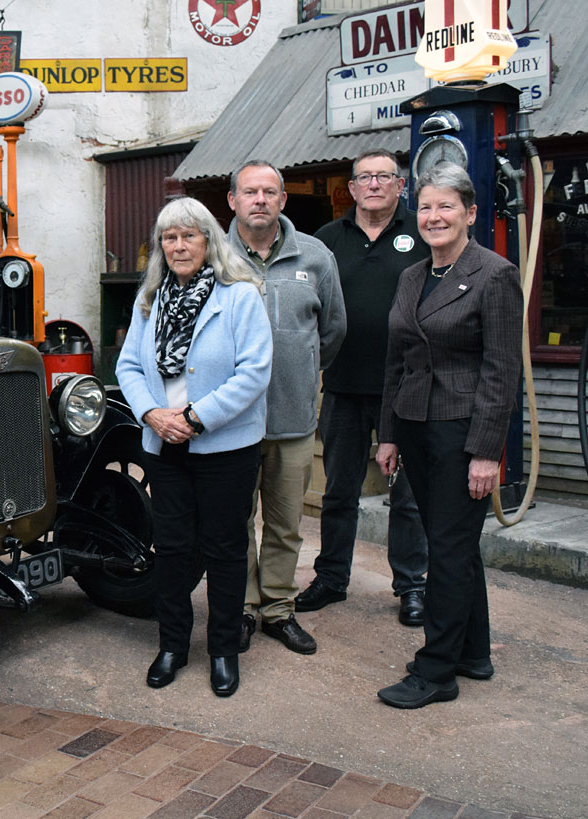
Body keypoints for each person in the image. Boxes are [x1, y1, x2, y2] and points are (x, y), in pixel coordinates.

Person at [376, 162, 522, 709]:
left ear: (471, 213)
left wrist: (487, 452)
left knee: (452, 549)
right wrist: (387, 434)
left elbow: (502, 370)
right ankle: (473, 652)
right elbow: (398, 360)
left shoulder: (494, 274)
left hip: (462, 431)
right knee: (451, 545)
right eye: (427, 206)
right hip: (414, 428)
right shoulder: (413, 275)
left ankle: (437, 671)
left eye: (446, 206)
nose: (434, 216)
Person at [116, 197, 272, 697]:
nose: (179, 245)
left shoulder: (240, 296)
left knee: (225, 549)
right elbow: (128, 368)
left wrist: (195, 417)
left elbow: (254, 372)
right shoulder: (150, 301)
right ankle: (172, 646)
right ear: (160, 247)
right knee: (174, 549)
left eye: (189, 235)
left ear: (209, 240)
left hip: (224, 445)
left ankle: (224, 650)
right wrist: (152, 414)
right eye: (169, 237)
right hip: (164, 444)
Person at [298, 149, 429, 627]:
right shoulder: (325, 242)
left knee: (409, 498)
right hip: (345, 386)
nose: (374, 184)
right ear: (351, 188)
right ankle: (332, 578)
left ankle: (412, 585)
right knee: (339, 492)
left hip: (409, 387)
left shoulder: (422, 234)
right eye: (365, 177)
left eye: (384, 177)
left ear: (400, 186)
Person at [226, 160, 346, 656]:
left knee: (284, 523)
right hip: (228, 424)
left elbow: (334, 330)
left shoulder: (315, 256)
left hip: (293, 419)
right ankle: (241, 608)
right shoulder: (213, 256)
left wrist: (302, 371)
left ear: (282, 200)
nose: (260, 200)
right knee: (234, 522)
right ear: (231, 200)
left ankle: (277, 609)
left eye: (269, 192)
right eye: (249, 192)